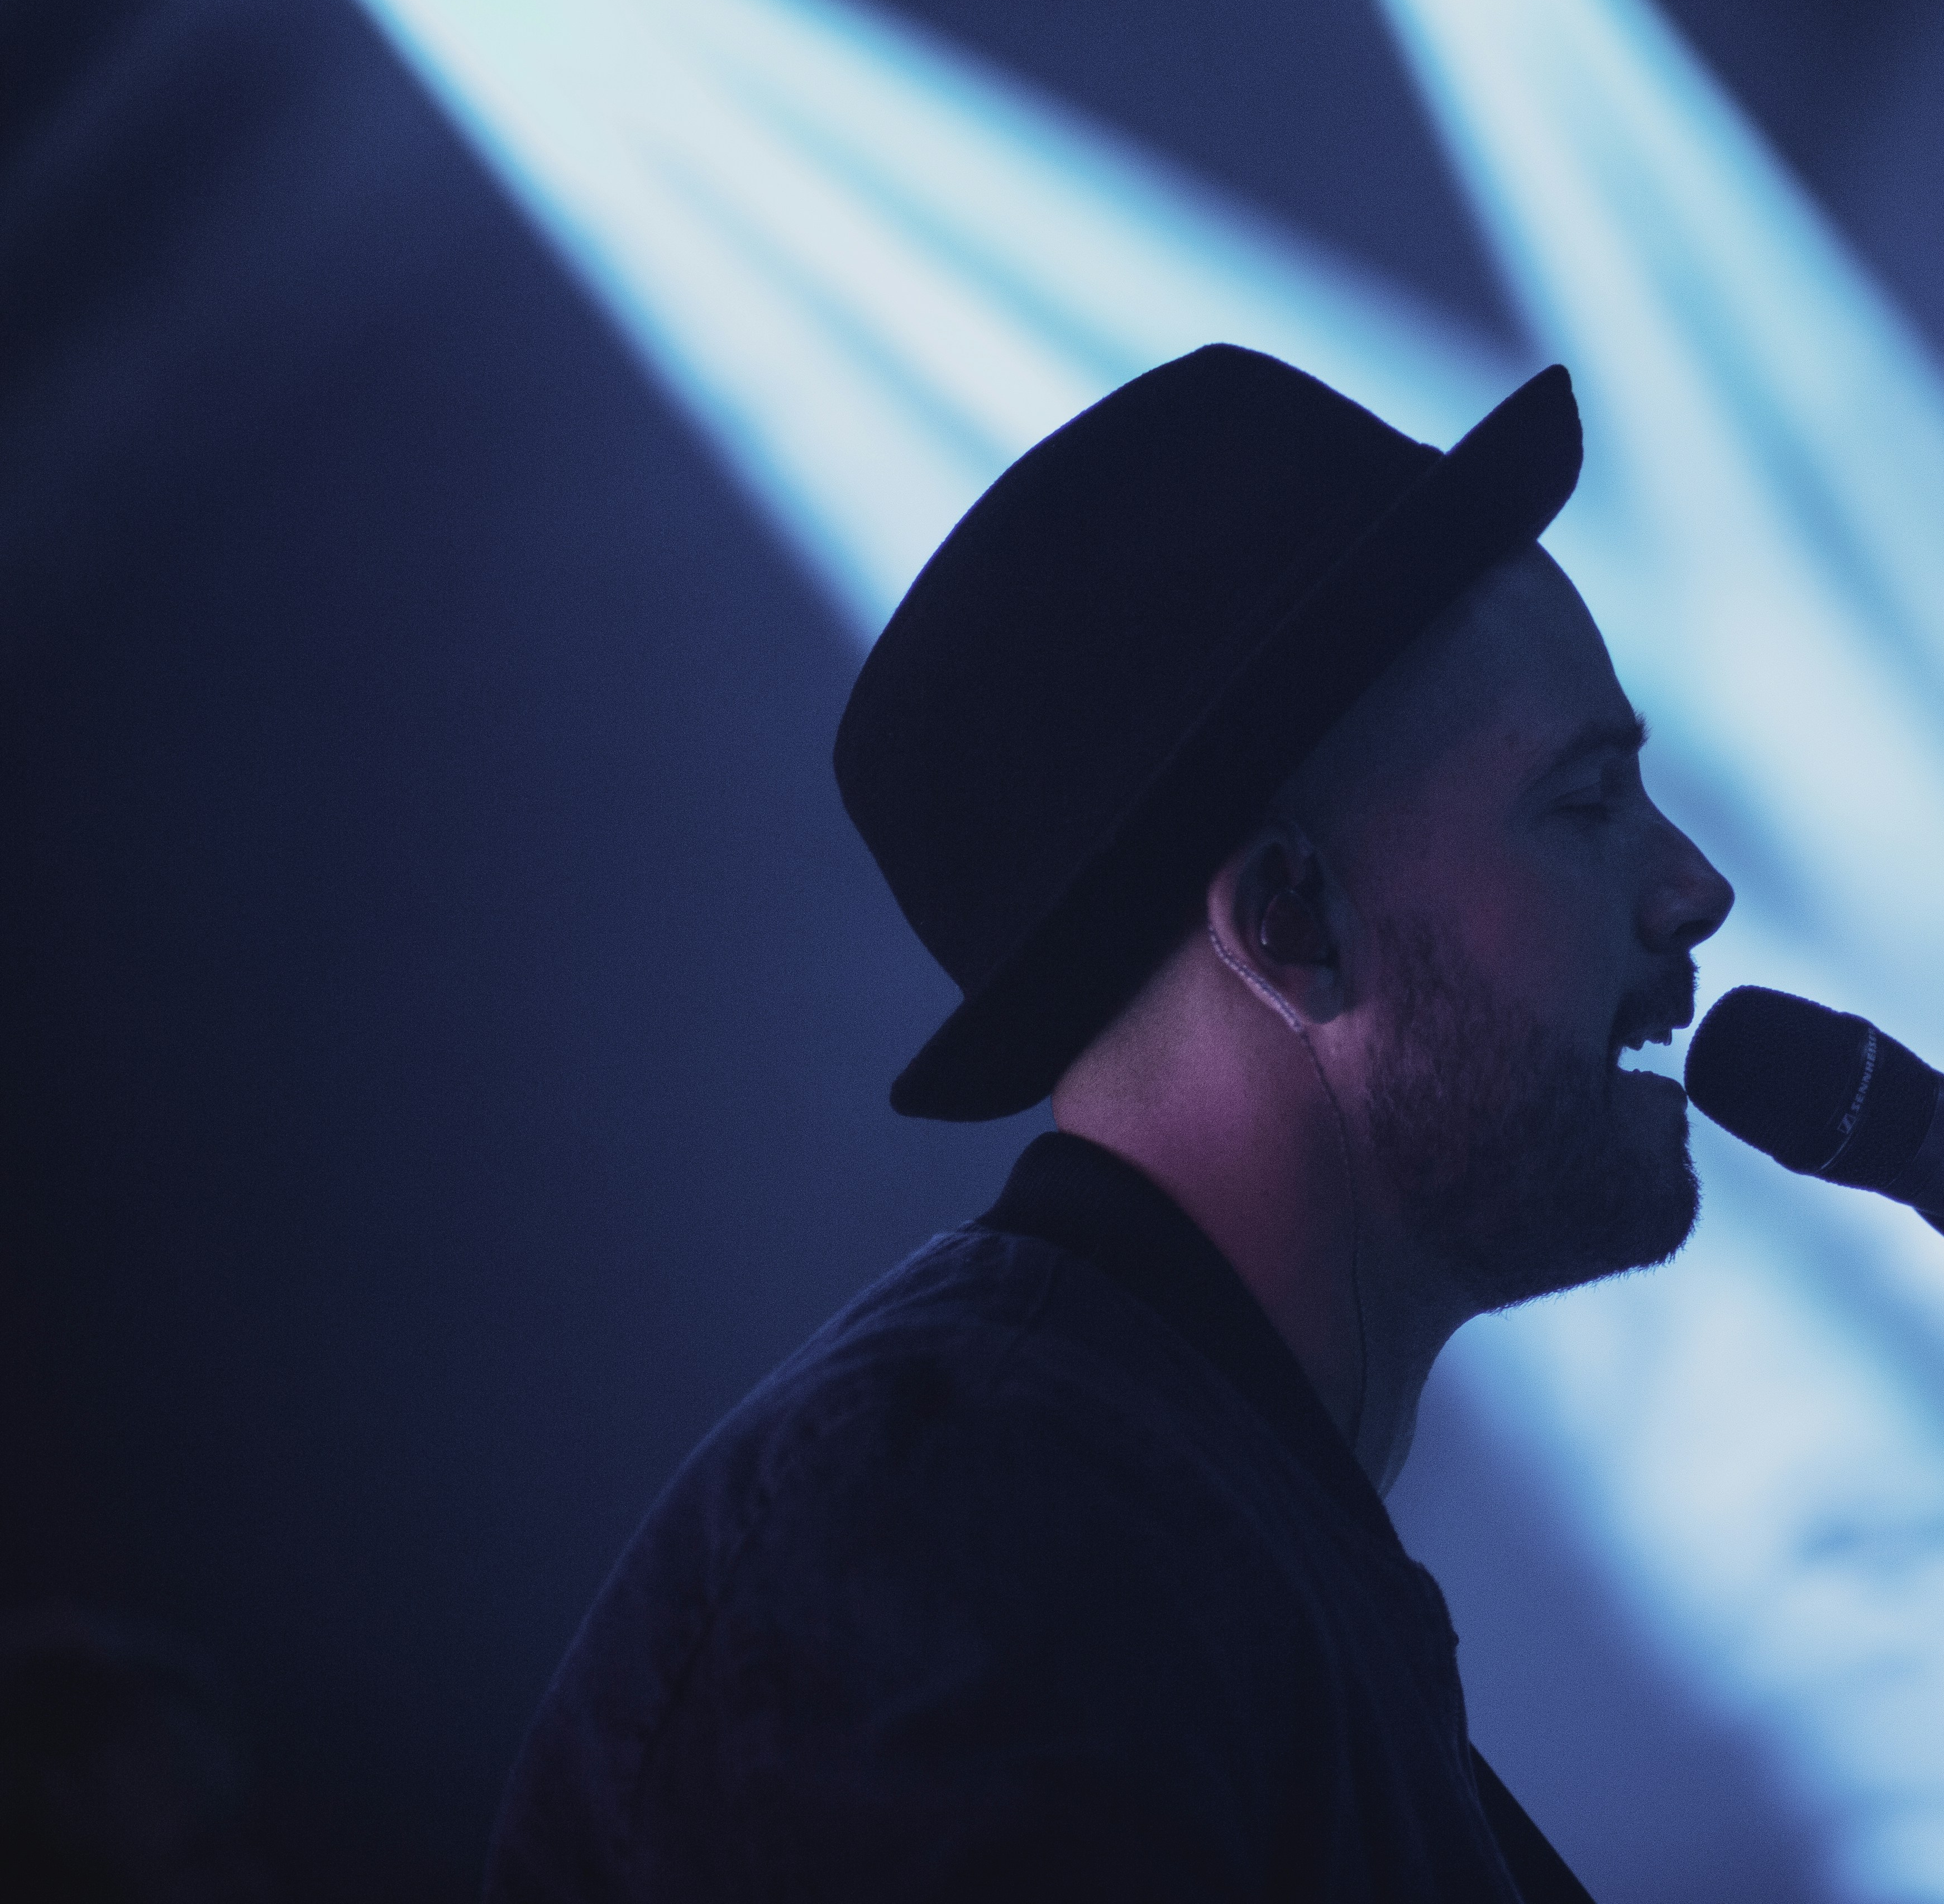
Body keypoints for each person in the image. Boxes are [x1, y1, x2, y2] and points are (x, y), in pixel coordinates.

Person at [485, 346, 1735, 1902]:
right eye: (1588, 801)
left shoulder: (1121, 1513)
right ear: (1292, 926)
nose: (1695, 889)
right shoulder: (966, 1529)